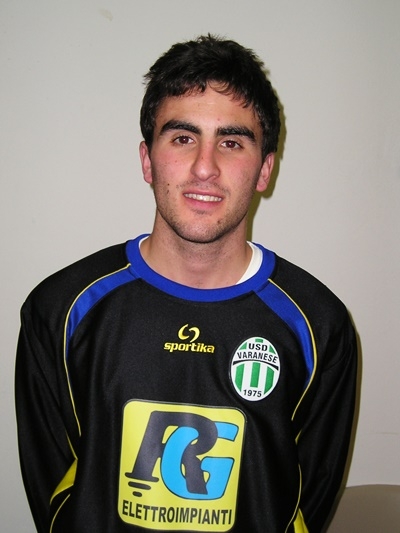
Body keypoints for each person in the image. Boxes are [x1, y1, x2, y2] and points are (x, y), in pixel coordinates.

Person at [15, 34, 357, 533]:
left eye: (231, 142)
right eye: (182, 138)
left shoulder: (318, 326)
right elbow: (56, 497)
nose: (205, 167)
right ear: (147, 160)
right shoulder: (61, 311)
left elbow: (305, 502)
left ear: (264, 169)